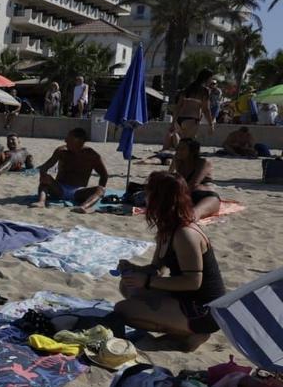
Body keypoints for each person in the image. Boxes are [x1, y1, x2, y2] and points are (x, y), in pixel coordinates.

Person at [113, 172, 226, 351]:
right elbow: (156, 268)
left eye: (149, 193)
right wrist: (134, 269)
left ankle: (190, 334)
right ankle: (181, 327)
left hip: (203, 310)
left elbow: (193, 282)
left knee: (123, 310)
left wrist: (147, 281)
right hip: (183, 297)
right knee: (128, 286)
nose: (145, 198)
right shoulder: (167, 227)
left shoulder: (184, 234)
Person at [32, 127, 109, 212]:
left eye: (68, 139)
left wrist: (96, 194)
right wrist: (43, 175)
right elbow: (45, 167)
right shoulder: (61, 151)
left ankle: (83, 207)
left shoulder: (92, 156)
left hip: (78, 192)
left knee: (101, 189)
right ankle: (41, 201)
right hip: (59, 188)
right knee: (45, 178)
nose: (65, 141)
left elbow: (104, 175)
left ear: (79, 141)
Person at [172, 138, 220, 220]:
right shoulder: (179, 162)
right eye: (178, 148)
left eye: (182, 148)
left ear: (192, 151)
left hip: (205, 196)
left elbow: (193, 184)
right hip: (187, 196)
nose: (178, 151)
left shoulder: (203, 162)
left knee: (192, 215)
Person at [174, 69, 215, 138]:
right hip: (191, 119)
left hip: (179, 120)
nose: (211, 80)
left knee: (182, 143)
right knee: (188, 143)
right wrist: (211, 125)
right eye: (211, 78)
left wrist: (173, 122)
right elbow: (206, 109)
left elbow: (178, 106)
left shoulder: (188, 88)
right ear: (207, 78)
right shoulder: (204, 91)